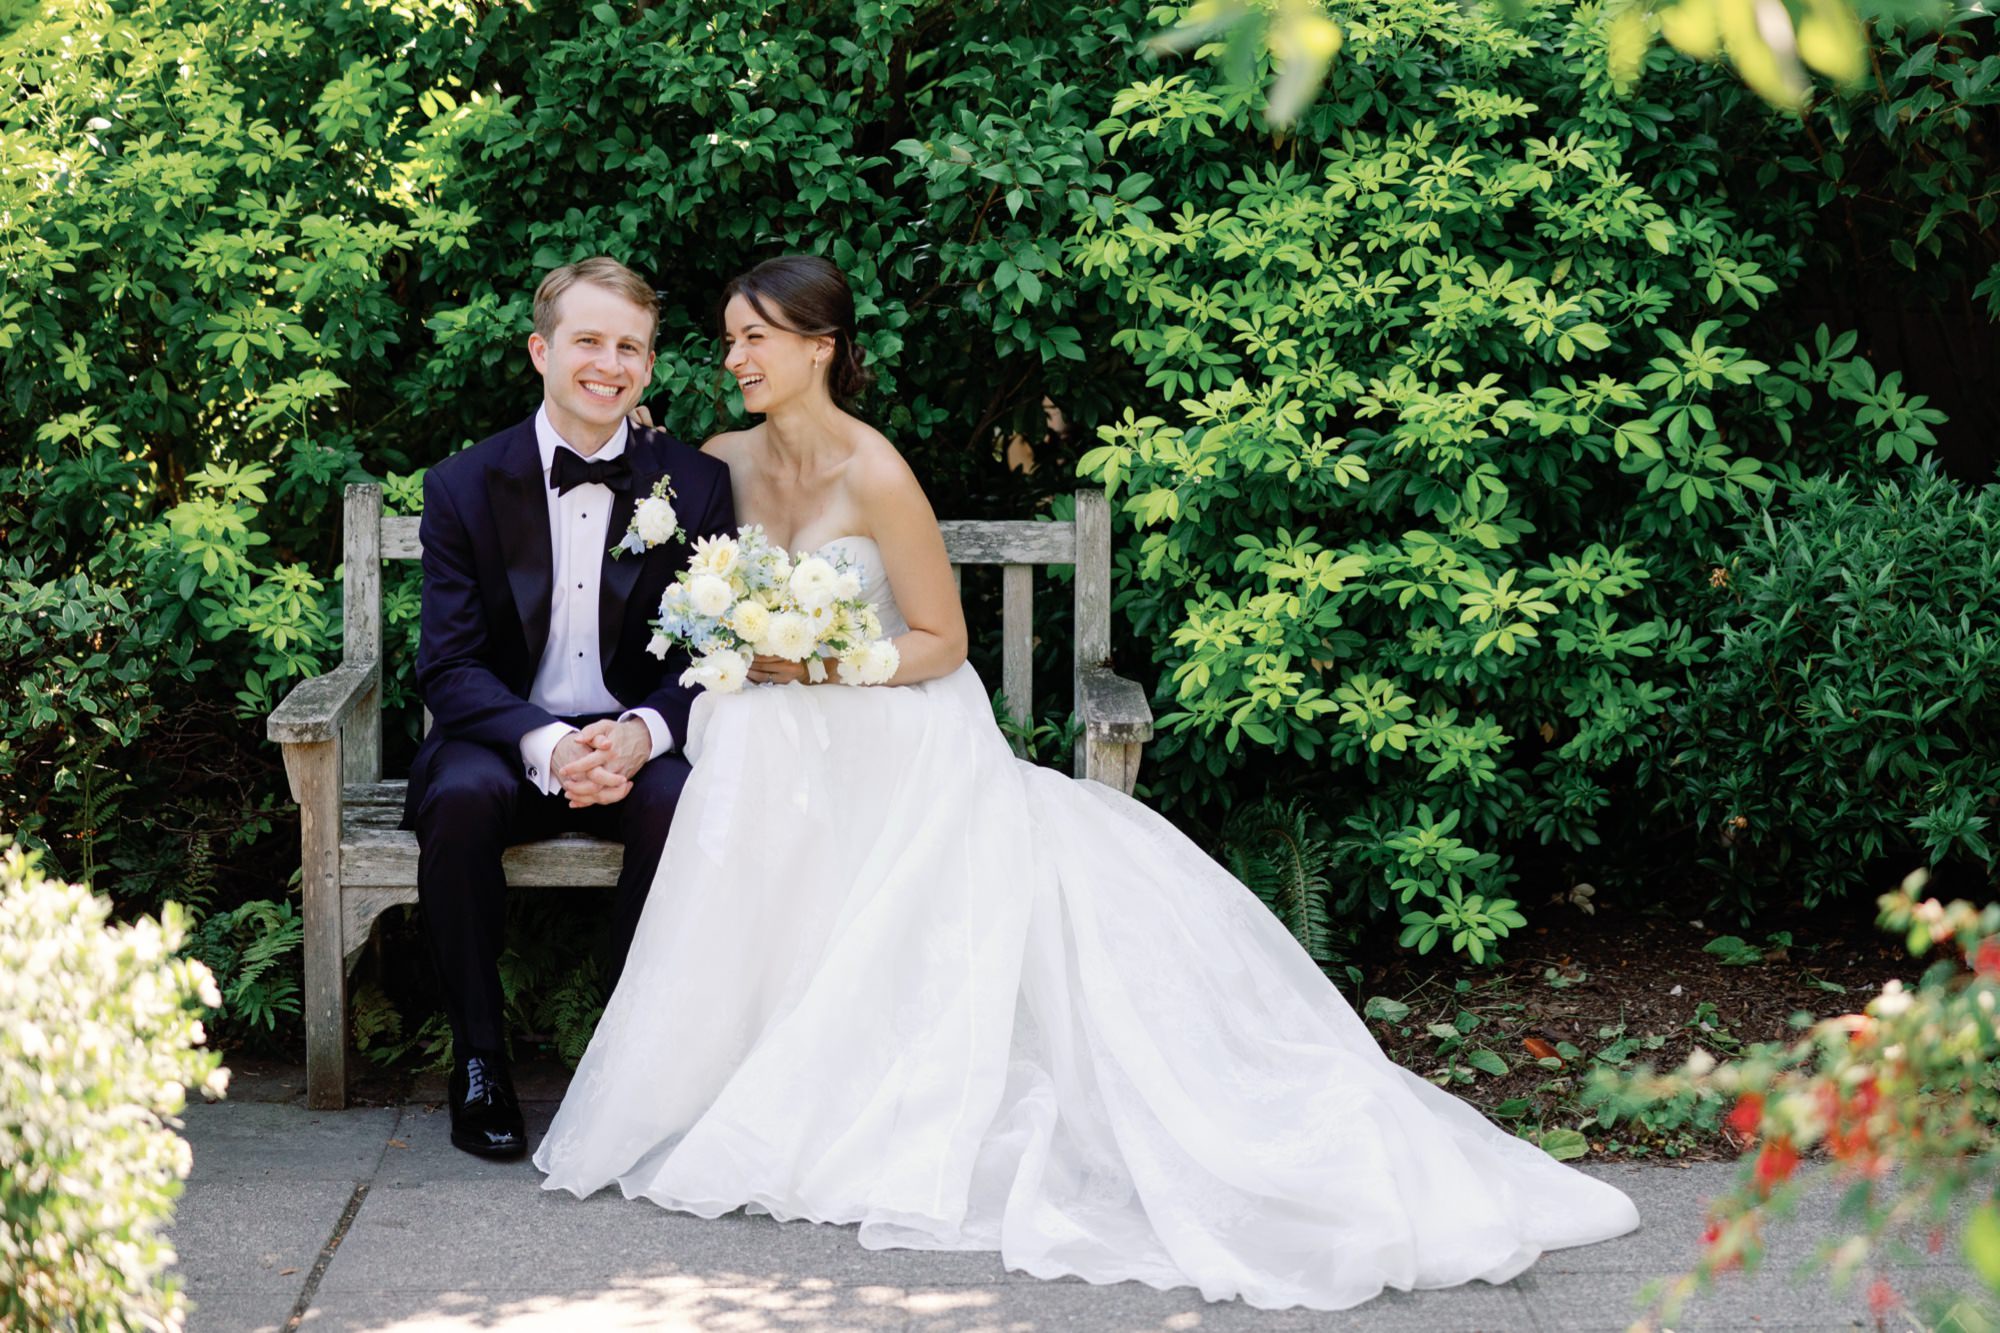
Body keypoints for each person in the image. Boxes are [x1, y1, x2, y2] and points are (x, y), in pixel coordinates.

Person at [532, 256, 1640, 1310]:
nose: (733, 357)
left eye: (754, 338)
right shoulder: (716, 457)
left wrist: (818, 661)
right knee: (752, 736)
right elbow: (646, 502)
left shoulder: (877, 473)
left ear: (819, 348)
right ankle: (743, 1063)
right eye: (729, 339)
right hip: (779, 718)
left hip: (886, 713)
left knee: (768, 736)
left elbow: (939, 641)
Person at [405, 258, 734, 1159]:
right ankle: (479, 1060)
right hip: (505, 736)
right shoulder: (465, 485)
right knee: (461, 797)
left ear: (650, 367)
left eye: (630, 346)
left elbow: (715, 653)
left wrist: (639, 734)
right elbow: (451, 667)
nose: (609, 362)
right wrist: (550, 745)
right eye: (588, 340)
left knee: (681, 800)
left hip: (634, 741)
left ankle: (629, 1059)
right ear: (541, 350)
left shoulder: (694, 486)